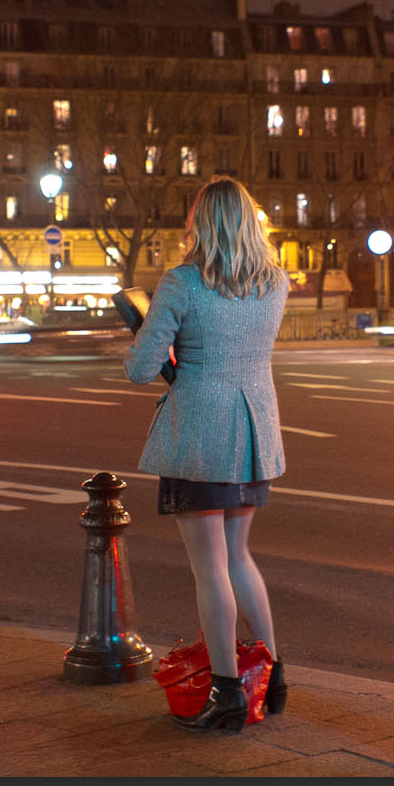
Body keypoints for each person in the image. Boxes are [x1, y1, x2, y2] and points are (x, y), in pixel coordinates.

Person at [126, 176, 290, 734]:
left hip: (199, 435)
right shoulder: (274, 284)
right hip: (252, 437)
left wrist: (148, 332)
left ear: (203, 222)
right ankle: (273, 673)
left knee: (210, 568)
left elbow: (141, 369)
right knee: (241, 559)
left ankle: (226, 691)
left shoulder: (182, 283)